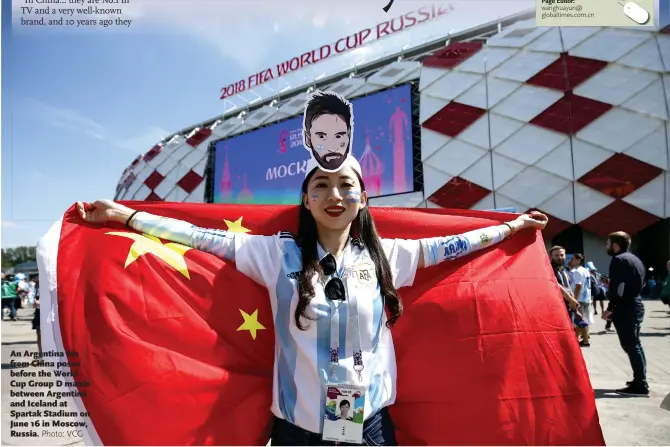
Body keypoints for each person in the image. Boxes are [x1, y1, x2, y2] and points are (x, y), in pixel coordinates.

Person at [77, 169, 547, 445]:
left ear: (363, 198)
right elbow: (200, 238)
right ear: (306, 199)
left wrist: (511, 228)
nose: (334, 196)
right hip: (296, 432)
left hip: (369, 429)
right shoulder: (272, 254)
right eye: (321, 187)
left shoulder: (391, 257)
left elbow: (457, 244)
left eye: (346, 186)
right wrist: (125, 217)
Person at [601, 231, 648, 397]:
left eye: (607, 243)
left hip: (626, 308)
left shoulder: (618, 260)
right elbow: (637, 283)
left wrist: (610, 308)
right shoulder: (634, 259)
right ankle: (639, 380)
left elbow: (619, 288)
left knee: (631, 346)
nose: (606, 246)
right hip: (635, 304)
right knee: (635, 345)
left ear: (615, 245)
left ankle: (640, 385)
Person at [548, 246, 579, 322]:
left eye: (562, 255)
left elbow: (568, 287)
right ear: (551, 256)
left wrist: (575, 308)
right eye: (556, 255)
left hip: (568, 306)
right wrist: (571, 300)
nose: (559, 257)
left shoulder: (564, 269)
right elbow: (556, 287)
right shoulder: (549, 269)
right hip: (556, 308)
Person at [568, 254, 593, 347]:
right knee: (584, 320)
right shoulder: (585, 270)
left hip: (580, 298)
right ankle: (581, 338)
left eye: (573, 259)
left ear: (578, 260)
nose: (571, 261)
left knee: (580, 320)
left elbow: (578, 286)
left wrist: (573, 299)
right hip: (587, 298)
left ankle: (585, 340)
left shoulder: (577, 271)